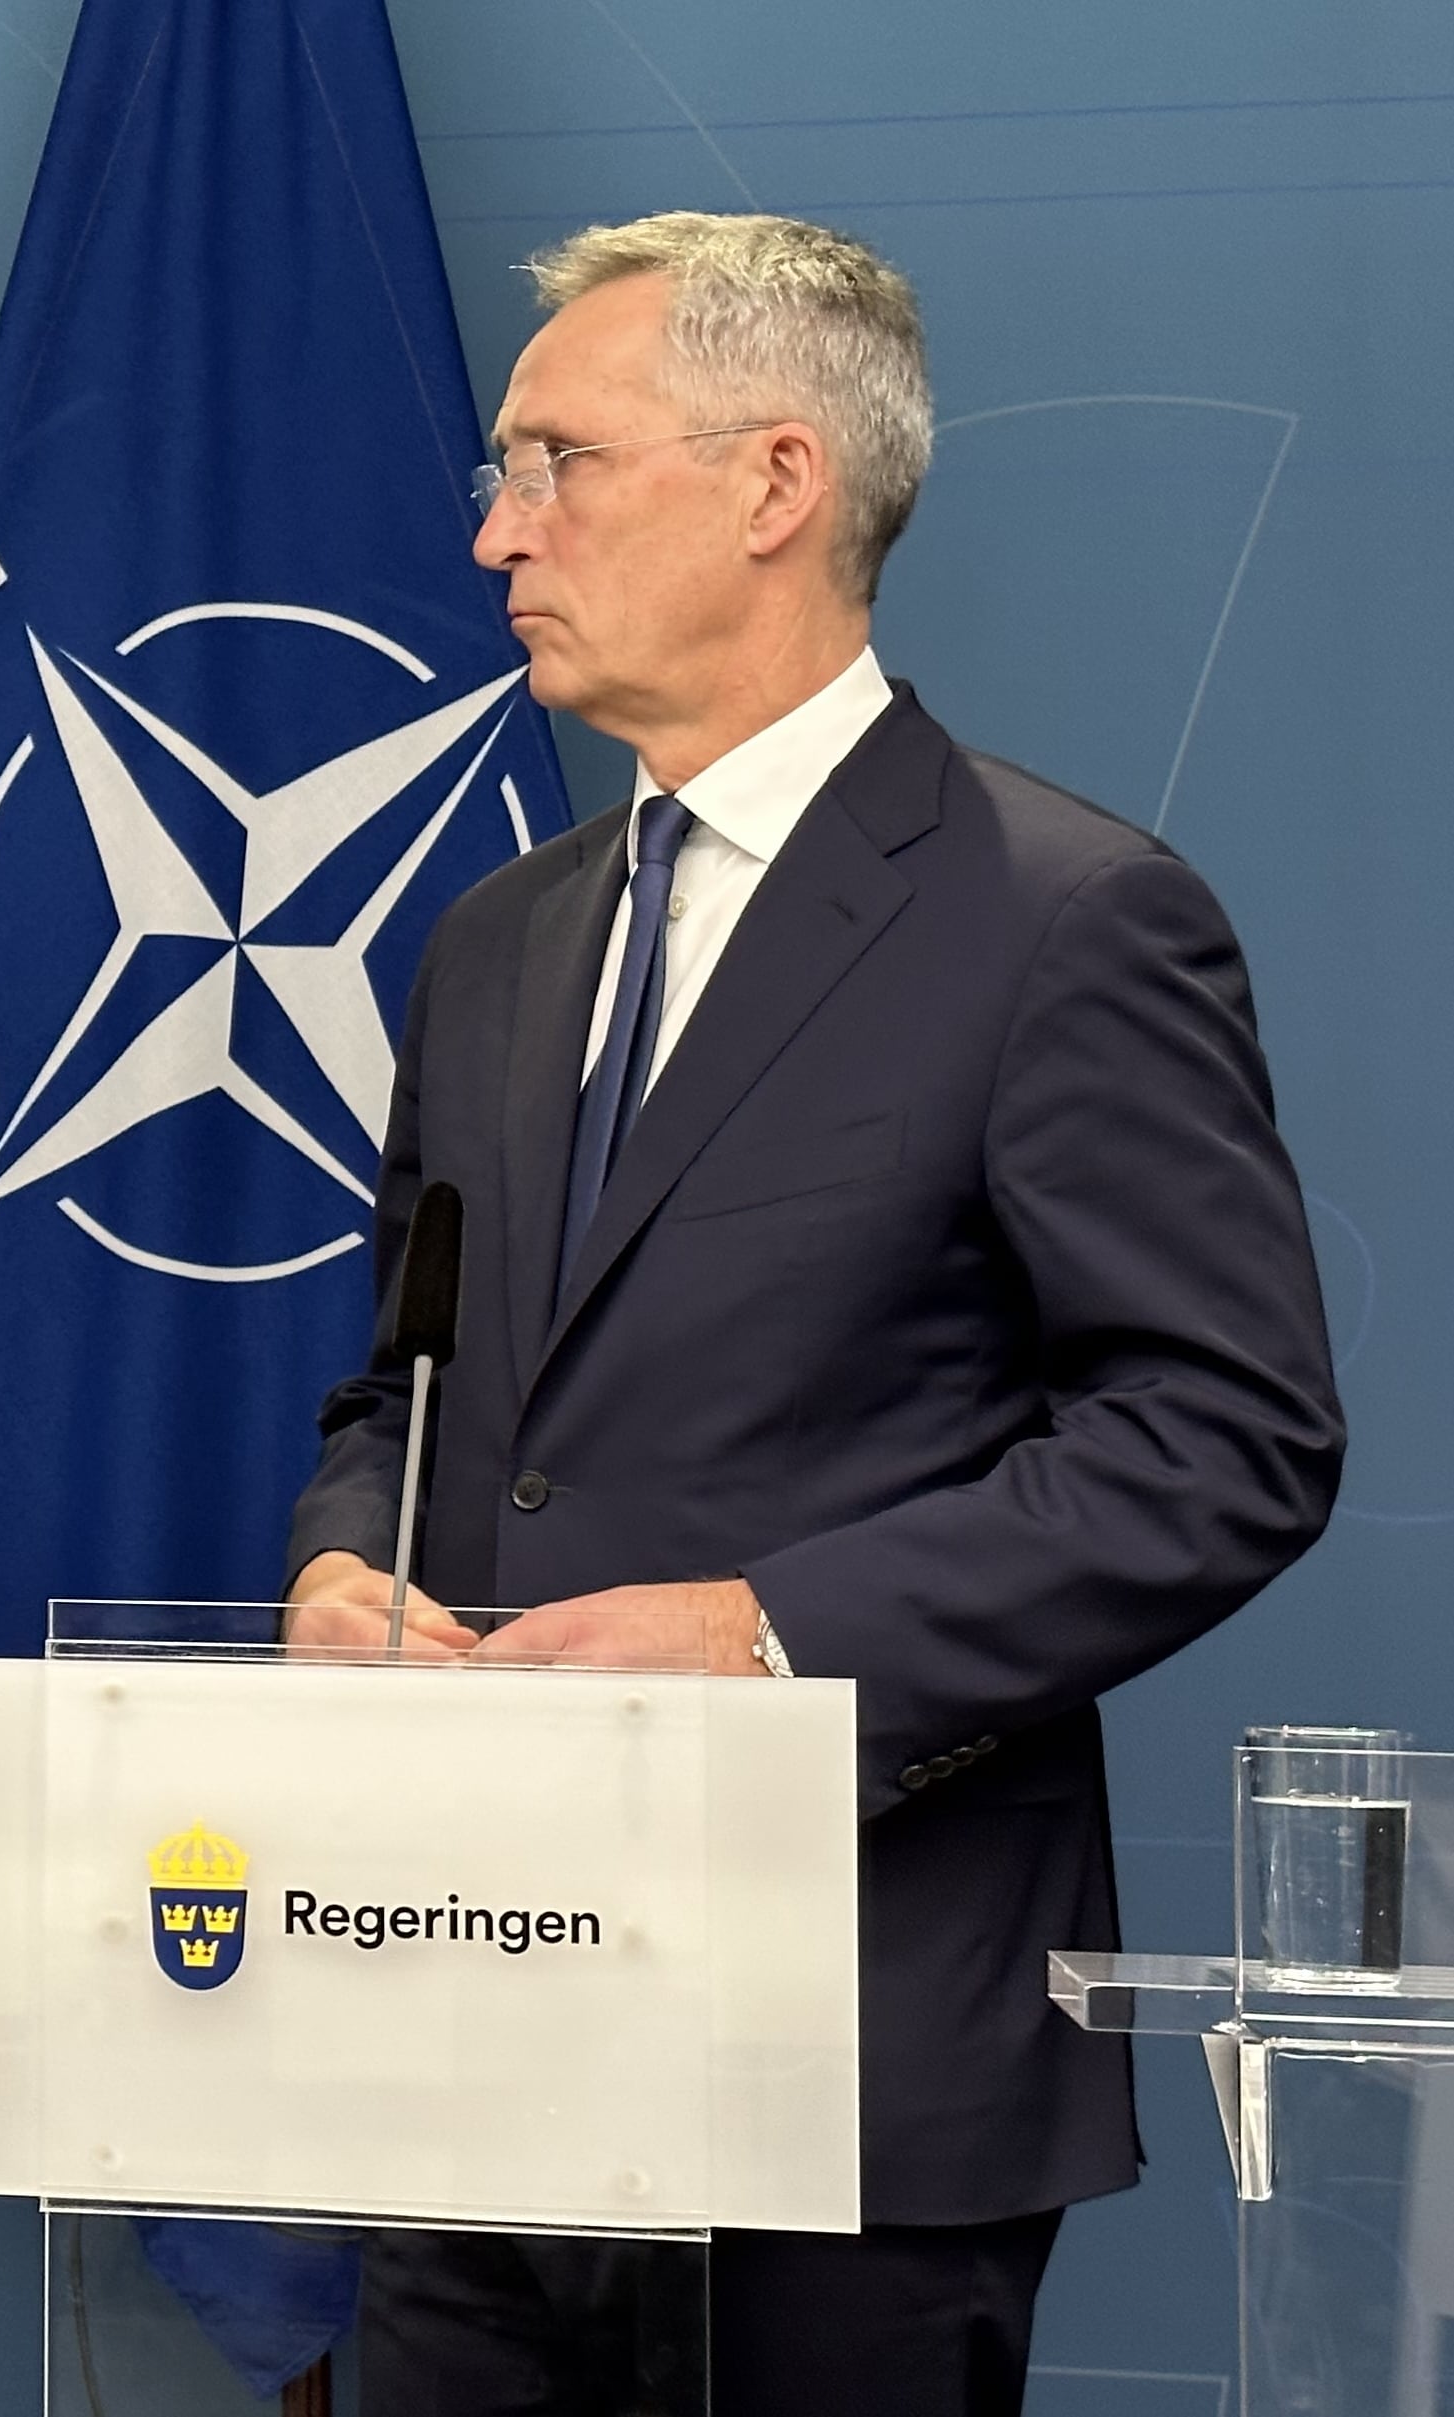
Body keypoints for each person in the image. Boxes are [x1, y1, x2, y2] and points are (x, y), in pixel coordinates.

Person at [282, 214, 1344, 2415]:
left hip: (842, 2074)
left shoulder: (1068, 922)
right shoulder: (492, 939)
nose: (494, 532)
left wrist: (762, 1633)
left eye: (552, 462)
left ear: (774, 484)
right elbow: (409, 1373)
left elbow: (1221, 1433)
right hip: (460, 2049)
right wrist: (338, 1555)